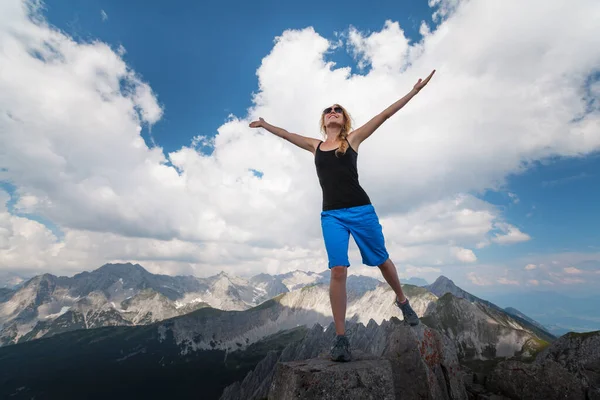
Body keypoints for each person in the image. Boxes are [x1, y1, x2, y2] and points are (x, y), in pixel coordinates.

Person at [249, 70, 436, 362]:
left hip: (361, 210)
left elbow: (385, 114)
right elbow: (287, 135)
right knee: (338, 270)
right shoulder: (316, 146)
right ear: (324, 120)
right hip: (331, 216)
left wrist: (414, 92)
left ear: (344, 119)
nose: (332, 112)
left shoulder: (354, 140)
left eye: (338, 109)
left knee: (382, 260)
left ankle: (402, 301)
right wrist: (264, 124)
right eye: (328, 110)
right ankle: (340, 339)